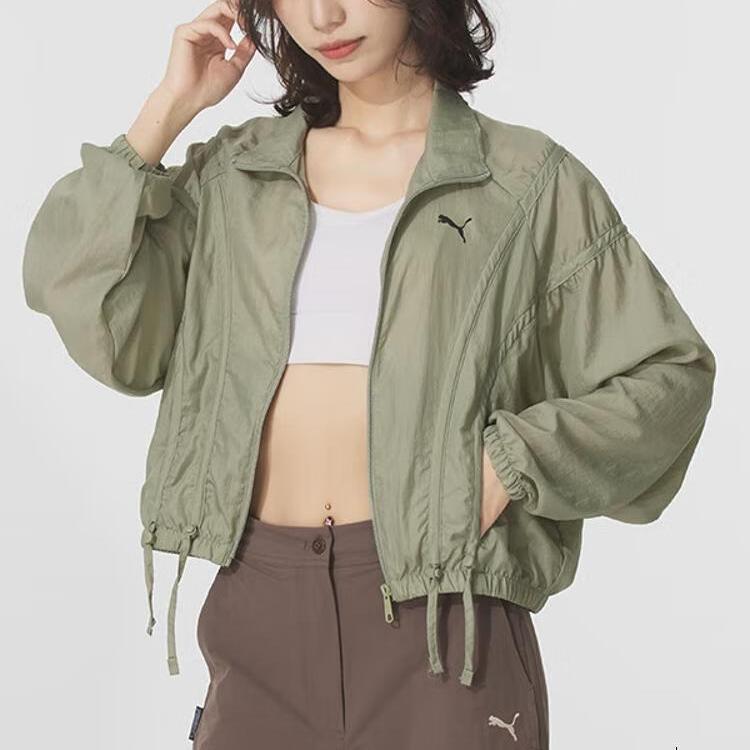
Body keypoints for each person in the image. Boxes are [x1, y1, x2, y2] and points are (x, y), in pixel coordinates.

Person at [21, 1, 716, 748]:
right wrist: (167, 110)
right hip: (256, 610)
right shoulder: (233, 176)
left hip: (443, 622)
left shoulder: (524, 184)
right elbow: (83, 296)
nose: (325, 15)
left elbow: (669, 375)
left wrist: (511, 463)